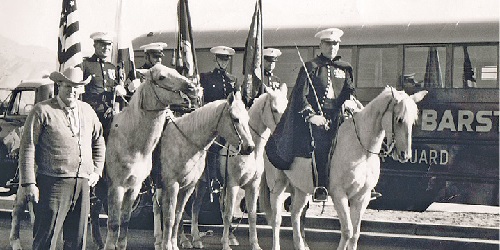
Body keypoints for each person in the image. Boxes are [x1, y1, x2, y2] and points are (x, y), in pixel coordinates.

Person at [266, 28, 380, 202]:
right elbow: (299, 96)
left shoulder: (345, 68)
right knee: (323, 144)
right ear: (321, 45)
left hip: (340, 116)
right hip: (318, 119)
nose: (332, 47)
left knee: (362, 141)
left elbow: (349, 91)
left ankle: (365, 184)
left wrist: (352, 103)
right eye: (328, 43)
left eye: (335, 44)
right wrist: (312, 116)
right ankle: (321, 186)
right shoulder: (311, 67)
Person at [18, 67, 106, 249]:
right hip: (52, 184)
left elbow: (99, 141)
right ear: (59, 85)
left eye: (76, 87)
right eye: (67, 86)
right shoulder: (42, 111)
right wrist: (29, 184)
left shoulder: (88, 111)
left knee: (76, 239)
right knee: (45, 238)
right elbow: (28, 147)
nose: (72, 91)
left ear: (81, 89)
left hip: (82, 185)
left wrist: (97, 170)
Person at [199, 45, 237, 195]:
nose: (224, 62)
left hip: (228, 121)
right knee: (214, 148)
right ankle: (213, 179)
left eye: (226, 59)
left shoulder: (232, 80)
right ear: (215, 59)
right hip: (212, 122)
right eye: (221, 59)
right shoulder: (206, 78)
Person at [79, 31, 127, 139]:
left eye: (108, 44)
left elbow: (114, 88)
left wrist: (118, 88)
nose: (106, 47)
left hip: (109, 115)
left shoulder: (112, 67)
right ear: (95, 45)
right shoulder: (86, 65)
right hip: (91, 114)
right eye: (102, 44)